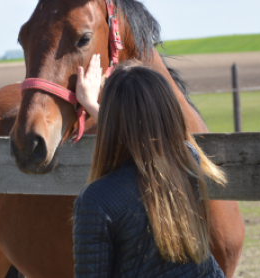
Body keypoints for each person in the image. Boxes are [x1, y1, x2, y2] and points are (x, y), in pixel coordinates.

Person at [73, 54, 227, 277]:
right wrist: (93, 105)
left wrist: (94, 105)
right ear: (168, 113)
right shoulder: (188, 160)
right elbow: (146, 137)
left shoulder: (95, 201)